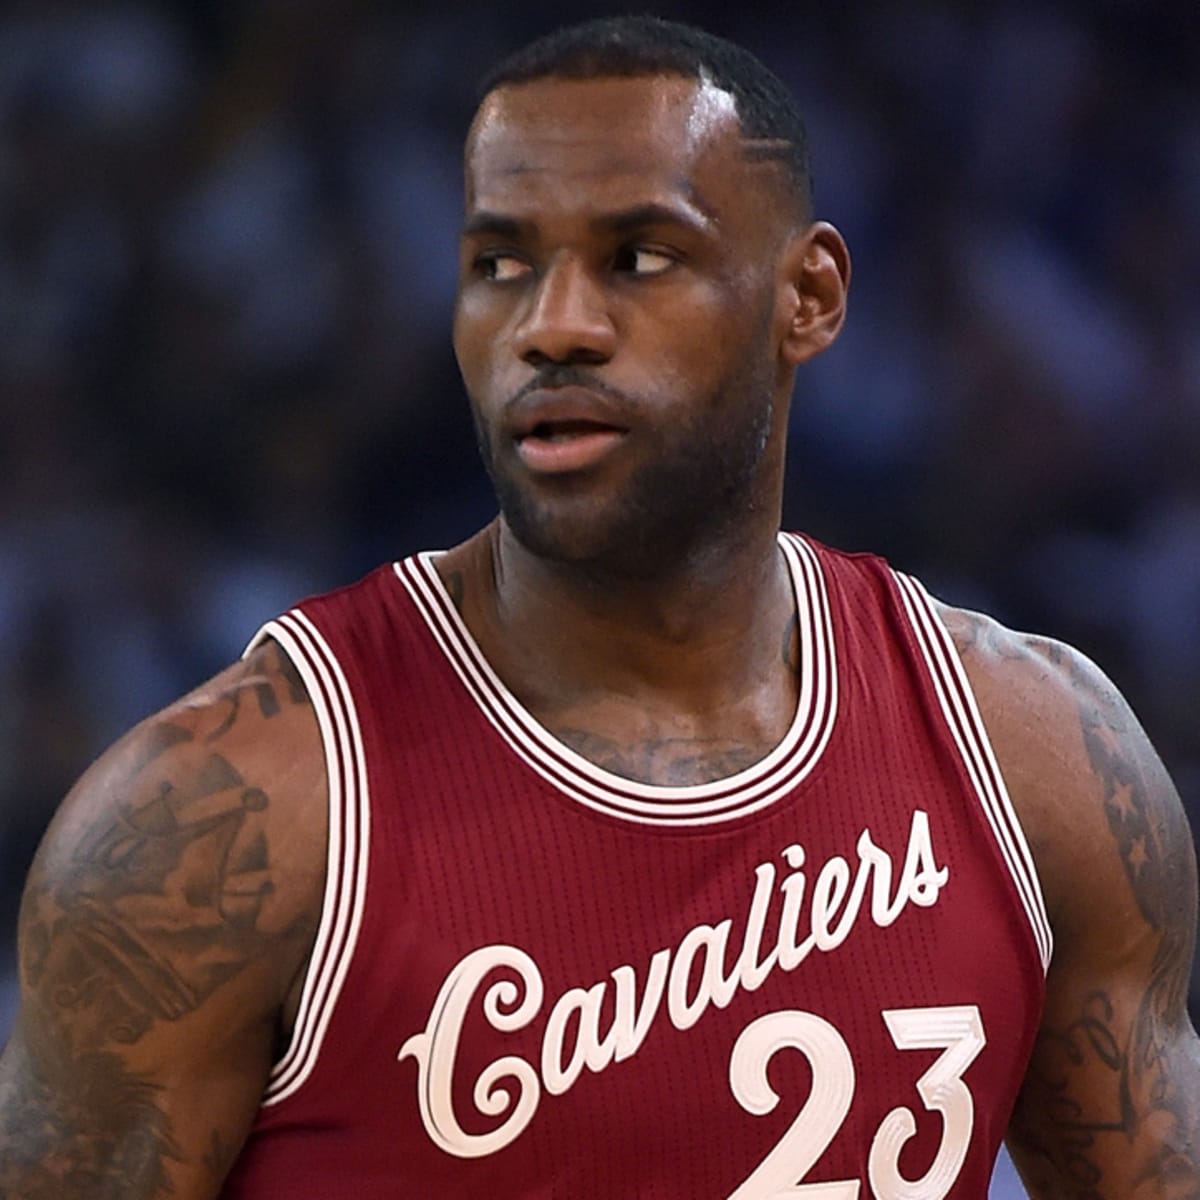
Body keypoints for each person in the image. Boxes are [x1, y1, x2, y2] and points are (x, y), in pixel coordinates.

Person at [1, 14, 1197, 1198]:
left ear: (809, 296)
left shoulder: (1034, 757)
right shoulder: (230, 815)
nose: (553, 326)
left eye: (638, 257)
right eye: (501, 264)